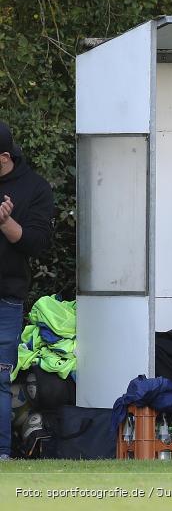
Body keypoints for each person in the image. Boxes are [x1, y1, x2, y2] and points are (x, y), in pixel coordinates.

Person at [0, 121, 53, 461]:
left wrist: (6, 224)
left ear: (4, 156)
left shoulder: (35, 188)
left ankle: (2, 452)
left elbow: (38, 243)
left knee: (1, 379)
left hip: (6, 297)